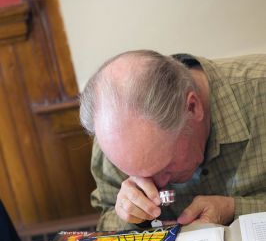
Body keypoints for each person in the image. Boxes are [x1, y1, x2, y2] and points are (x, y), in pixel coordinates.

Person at [80, 50, 266, 231]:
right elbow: (106, 225)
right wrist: (132, 216)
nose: (158, 185)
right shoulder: (111, 139)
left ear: (192, 107)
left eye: (165, 168)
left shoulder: (260, 92)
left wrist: (234, 210)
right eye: (137, 174)